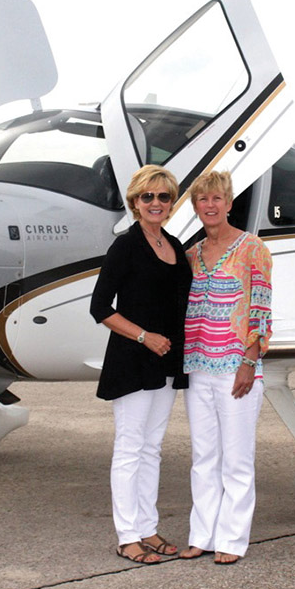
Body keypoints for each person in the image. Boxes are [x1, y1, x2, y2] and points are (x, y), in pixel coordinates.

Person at [89, 164, 192, 564]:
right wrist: (144, 337)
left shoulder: (174, 244)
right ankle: (127, 536)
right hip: (133, 360)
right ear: (135, 202)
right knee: (130, 448)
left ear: (171, 202)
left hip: (165, 363)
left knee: (152, 449)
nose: (156, 203)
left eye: (163, 196)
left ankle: (147, 528)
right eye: (147, 196)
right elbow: (99, 308)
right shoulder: (126, 246)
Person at [179, 170, 272, 565]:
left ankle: (232, 540)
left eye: (217, 199)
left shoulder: (253, 249)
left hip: (237, 368)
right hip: (198, 367)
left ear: (229, 203)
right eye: (203, 200)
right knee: (203, 459)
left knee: (236, 460)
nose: (210, 206)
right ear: (195, 206)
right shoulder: (192, 255)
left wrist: (250, 360)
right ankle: (201, 535)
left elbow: (262, 308)